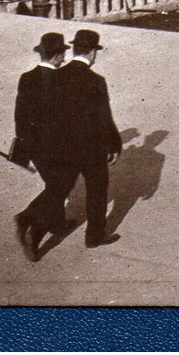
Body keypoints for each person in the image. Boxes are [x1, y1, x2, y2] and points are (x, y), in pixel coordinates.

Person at [46, 29, 122, 249]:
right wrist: (114, 145)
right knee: (97, 190)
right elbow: (104, 117)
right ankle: (94, 236)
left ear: (75, 49)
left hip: (62, 145)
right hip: (91, 147)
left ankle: (45, 227)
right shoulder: (96, 80)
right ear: (92, 53)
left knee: (58, 187)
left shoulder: (55, 75)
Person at [11, 32, 68, 262]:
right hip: (57, 147)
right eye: (62, 54)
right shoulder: (63, 80)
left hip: (33, 147)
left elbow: (20, 115)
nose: (64, 59)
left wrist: (24, 144)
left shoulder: (27, 77)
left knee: (54, 184)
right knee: (59, 187)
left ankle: (57, 222)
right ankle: (32, 225)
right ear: (56, 56)